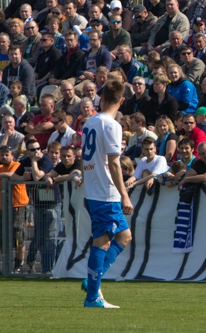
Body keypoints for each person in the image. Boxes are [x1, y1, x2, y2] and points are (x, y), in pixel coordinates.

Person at [78, 80, 133, 308]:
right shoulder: (112, 125)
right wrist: (124, 194)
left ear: (101, 99)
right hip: (105, 193)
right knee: (102, 242)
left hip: (94, 190)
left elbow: (85, 158)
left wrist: (86, 183)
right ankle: (92, 296)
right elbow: (114, 163)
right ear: (122, 101)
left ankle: (92, 281)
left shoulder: (90, 122)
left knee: (124, 236)